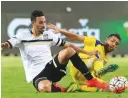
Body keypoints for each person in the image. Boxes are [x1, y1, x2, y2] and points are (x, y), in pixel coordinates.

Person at [1, 10, 108, 93]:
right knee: (44, 88)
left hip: (52, 67)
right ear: (33, 23)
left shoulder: (49, 35)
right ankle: (62, 88)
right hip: (37, 75)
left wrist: (87, 52)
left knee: (69, 50)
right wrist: (4, 45)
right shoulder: (22, 36)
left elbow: (68, 45)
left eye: (44, 22)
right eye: (41, 22)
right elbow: (9, 43)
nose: (44, 25)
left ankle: (91, 80)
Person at [47, 24, 121, 92]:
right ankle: (87, 84)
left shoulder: (105, 59)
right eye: (112, 41)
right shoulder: (95, 42)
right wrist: (60, 30)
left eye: (116, 44)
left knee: (109, 88)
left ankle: (78, 87)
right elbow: (76, 37)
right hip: (78, 68)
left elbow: (97, 74)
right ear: (106, 40)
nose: (114, 44)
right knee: (97, 60)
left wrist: (103, 72)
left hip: (87, 77)